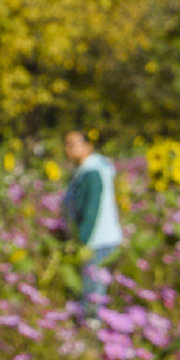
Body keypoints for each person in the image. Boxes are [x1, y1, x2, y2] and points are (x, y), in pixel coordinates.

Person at [61, 130, 124, 321]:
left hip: (96, 240)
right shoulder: (88, 170)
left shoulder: (92, 173)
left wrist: (81, 242)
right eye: (66, 144)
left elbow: (91, 210)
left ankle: (91, 327)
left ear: (88, 146)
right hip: (96, 239)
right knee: (93, 288)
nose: (68, 149)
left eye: (73, 144)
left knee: (92, 292)